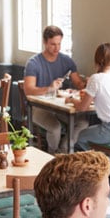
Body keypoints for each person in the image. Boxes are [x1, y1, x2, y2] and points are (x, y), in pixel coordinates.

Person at [23, 25, 88, 154]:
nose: (57, 48)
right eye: (53, 44)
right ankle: (51, 155)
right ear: (45, 42)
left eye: (59, 44)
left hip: (59, 106)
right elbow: (28, 90)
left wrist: (89, 82)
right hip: (37, 107)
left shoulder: (66, 61)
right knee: (55, 128)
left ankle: (63, 149)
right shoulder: (33, 63)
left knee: (83, 123)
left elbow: (78, 83)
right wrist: (49, 88)